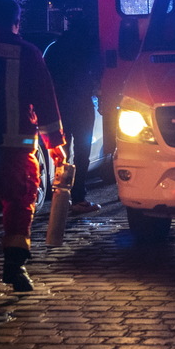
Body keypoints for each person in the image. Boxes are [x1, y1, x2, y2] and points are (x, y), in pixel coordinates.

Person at [0, 0, 68, 306]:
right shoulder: (28, 53)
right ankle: (16, 268)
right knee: (20, 204)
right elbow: (44, 102)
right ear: (16, 22)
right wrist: (55, 146)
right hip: (16, 150)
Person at [43, 12, 103, 214]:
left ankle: (61, 199)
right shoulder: (89, 47)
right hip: (82, 105)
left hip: (60, 105)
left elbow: (47, 74)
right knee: (82, 153)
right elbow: (98, 72)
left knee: (62, 154)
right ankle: (79, 197)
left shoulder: (55, 47)